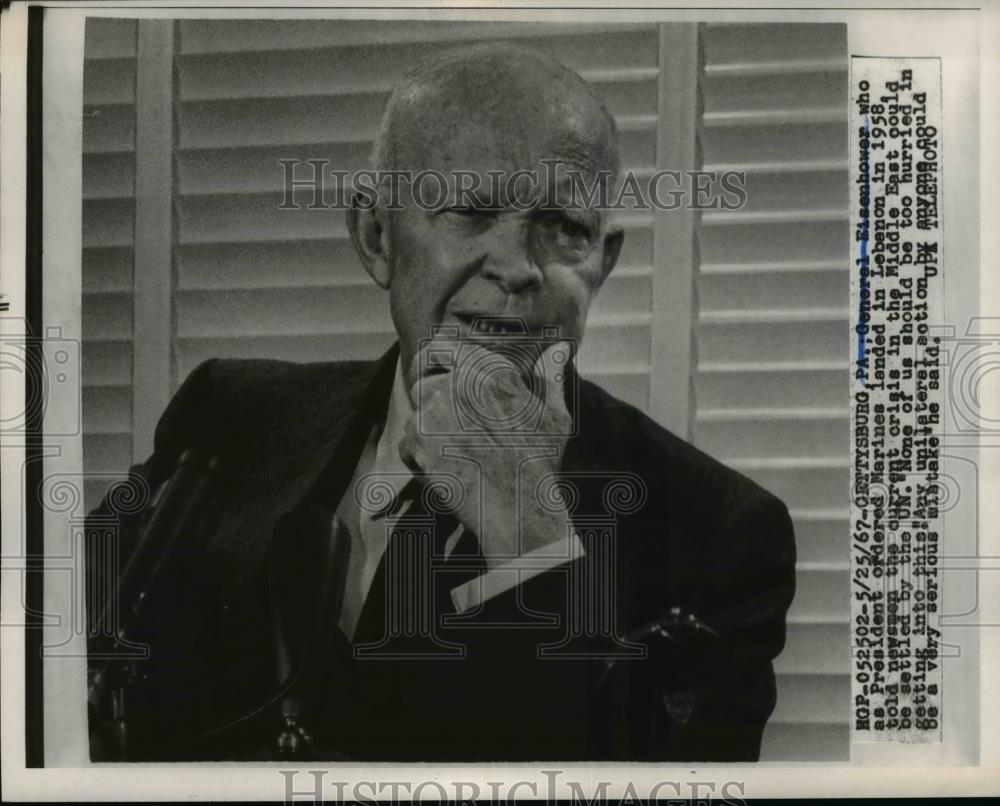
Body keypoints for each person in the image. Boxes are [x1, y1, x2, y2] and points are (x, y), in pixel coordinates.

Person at [86, 42, 796, 762]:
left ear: (602, 262)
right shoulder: (229, 416)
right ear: (375, 236)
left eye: (562, 228)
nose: (518, 268)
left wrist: (532, 536)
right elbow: (66, 679)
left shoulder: (721, 535)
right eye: (468, 211)